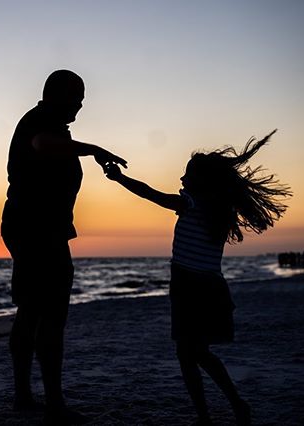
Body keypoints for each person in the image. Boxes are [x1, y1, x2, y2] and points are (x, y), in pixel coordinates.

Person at [103, 129, 291, 425]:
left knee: (189, 354)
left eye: (186, 175)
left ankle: (212, 413)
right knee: (196, 353)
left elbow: (151, 195)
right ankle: (233, 405)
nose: (181, 180)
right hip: (212, 288)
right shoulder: (219, 211)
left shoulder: (191, 203)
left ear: (200, 181)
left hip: (190, 288)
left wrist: (119, 179)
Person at [1, 69, 127, 424]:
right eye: (77, 97)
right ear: (56, 95)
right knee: (49, 314)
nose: (81, 104)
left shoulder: (54, 125)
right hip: (35, 229)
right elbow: (43, 145)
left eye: (83, 97)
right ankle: (49, 402)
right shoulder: (39, 122)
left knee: (32, 310)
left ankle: (27, 397)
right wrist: (93, 149)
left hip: (43, 229)